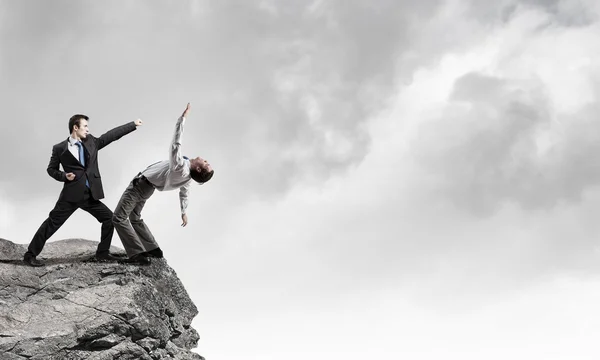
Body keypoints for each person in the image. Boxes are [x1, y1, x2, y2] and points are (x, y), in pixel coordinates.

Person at [23, 114, 143, 267]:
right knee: (51, 224)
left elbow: (110, 136)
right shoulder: (59, 148)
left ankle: (102, 253)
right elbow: (51, 169)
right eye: (85, 126)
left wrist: (132, 125)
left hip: (90, 195)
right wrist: (64, 176)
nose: (87, 129)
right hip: (71, 195)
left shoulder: (92, 142)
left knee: (110, 219)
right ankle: (30, 255)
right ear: (75, 127)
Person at [113, 103, 213, 265]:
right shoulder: (187, 177)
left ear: (199, 169)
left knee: (118, 218)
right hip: (147, 189)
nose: (205, 159)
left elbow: (176, 143)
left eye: (206, 163)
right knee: (135, 217)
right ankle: (153, 249)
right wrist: (183, 212)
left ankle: (137, 255)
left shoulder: (180, 166)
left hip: (140, 186)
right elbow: (184, 194)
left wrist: (183, 119)